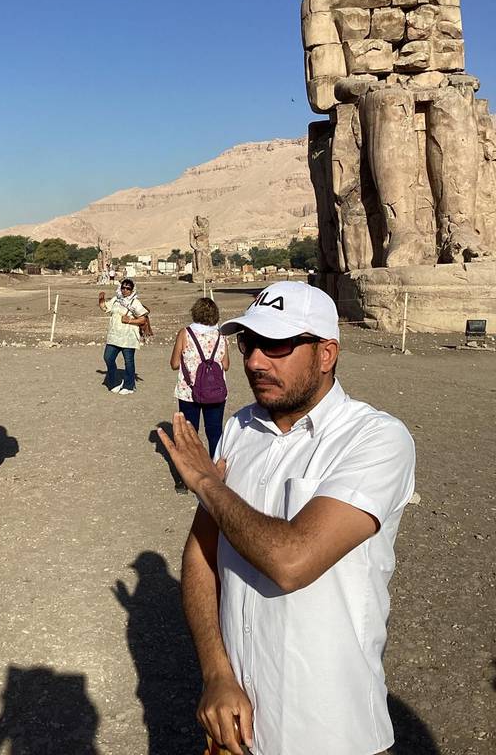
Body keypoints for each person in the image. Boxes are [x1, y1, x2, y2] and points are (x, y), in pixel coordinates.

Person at [158, 281, 415, 755]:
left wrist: (207, 483)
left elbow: (292, 560)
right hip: (236, 723)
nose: (255, 362)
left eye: (276, 345)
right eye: (248, 343)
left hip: (330, 727)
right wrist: (216, 673)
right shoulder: (238, 427)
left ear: (326, 353)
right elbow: (201, 553)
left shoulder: (375, 439)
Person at [170, 297, 230, 457]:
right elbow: (226, 365)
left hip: (189, 392)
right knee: (215, 432)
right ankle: (216, 471)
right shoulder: (221, 335)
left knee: (190, 433)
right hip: (215, 391)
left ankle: (192, 472)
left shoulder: (185, 333)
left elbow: (174, 364)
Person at [98, 278, 148, 395]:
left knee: (128, 362)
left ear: (132, 290)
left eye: (128, 288)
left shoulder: (135, 302)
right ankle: (115, 382)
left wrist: (129, 320)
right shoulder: (116, 299)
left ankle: (129, 385)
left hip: (128, 337)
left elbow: (143, 319)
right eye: (123, 287)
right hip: (114, 335)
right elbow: (105, 308)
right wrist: (101, 299)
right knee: (108, 357)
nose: (125, 290)